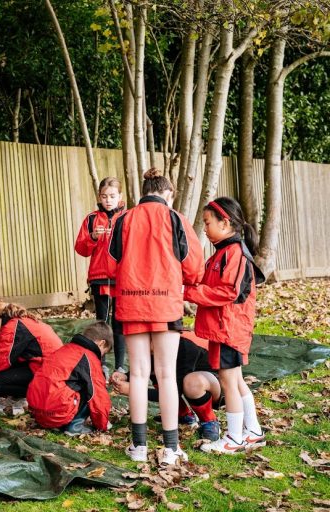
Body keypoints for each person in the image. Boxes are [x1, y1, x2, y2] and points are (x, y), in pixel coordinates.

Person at [108, 169, 204, 466]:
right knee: (166, 375)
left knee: (137, 374)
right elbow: (194, 267)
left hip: (132, 305)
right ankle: (171, 448)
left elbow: (111, 265)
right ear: (168, 194)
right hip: (166, 307)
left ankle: (138, 447)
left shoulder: (123, 219)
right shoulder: (176, 218)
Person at [184, 197, 266, 454]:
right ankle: (252, 431)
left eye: (208, 223)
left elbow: (226, 291)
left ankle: (233, 438)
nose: (205, 229)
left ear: (226, 222)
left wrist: (186, 293)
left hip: (230, 328)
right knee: (237, 380)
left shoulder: (234, 254)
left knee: (228, 381)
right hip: (225, 327)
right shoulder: (224, 252)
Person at [110, 331, 223, 441]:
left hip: (215, 382)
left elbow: (173, 392)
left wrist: (133, 390)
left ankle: (210, 421)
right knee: (161, 374)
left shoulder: (185, 346)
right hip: (191, 383)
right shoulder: (155, 347)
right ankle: (183, 415)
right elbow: (146, 368)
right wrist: (125, 376)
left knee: (191, 383)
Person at [75, 177, 127, 372]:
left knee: (119, 322)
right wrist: (93, 237)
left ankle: (120, 366)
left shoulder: (126, 217)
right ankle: (101, 363)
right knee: (101, 322)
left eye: (112, 196)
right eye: (104, 196)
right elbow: (81, 248)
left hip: (121, 279)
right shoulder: (91, 219)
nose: (108, 200)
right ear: (99, 197)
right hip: (98, 277)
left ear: (120, 197)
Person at [26, 321, 113, 436]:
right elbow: (98, 397)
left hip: (38, 413)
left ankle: (60, 421)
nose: (101, 356)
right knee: (91, 387)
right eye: (104, 352)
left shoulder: (64, 349)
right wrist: (102, 425)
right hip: (56, 413)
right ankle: (75, 426)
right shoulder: (89, 358)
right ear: (102, 343)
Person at [0, 298, 63, 402]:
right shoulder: (20, 320)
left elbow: (1, 361)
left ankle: (37, 394)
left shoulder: (12, 327)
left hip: (46, 370)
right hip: (46, 366)